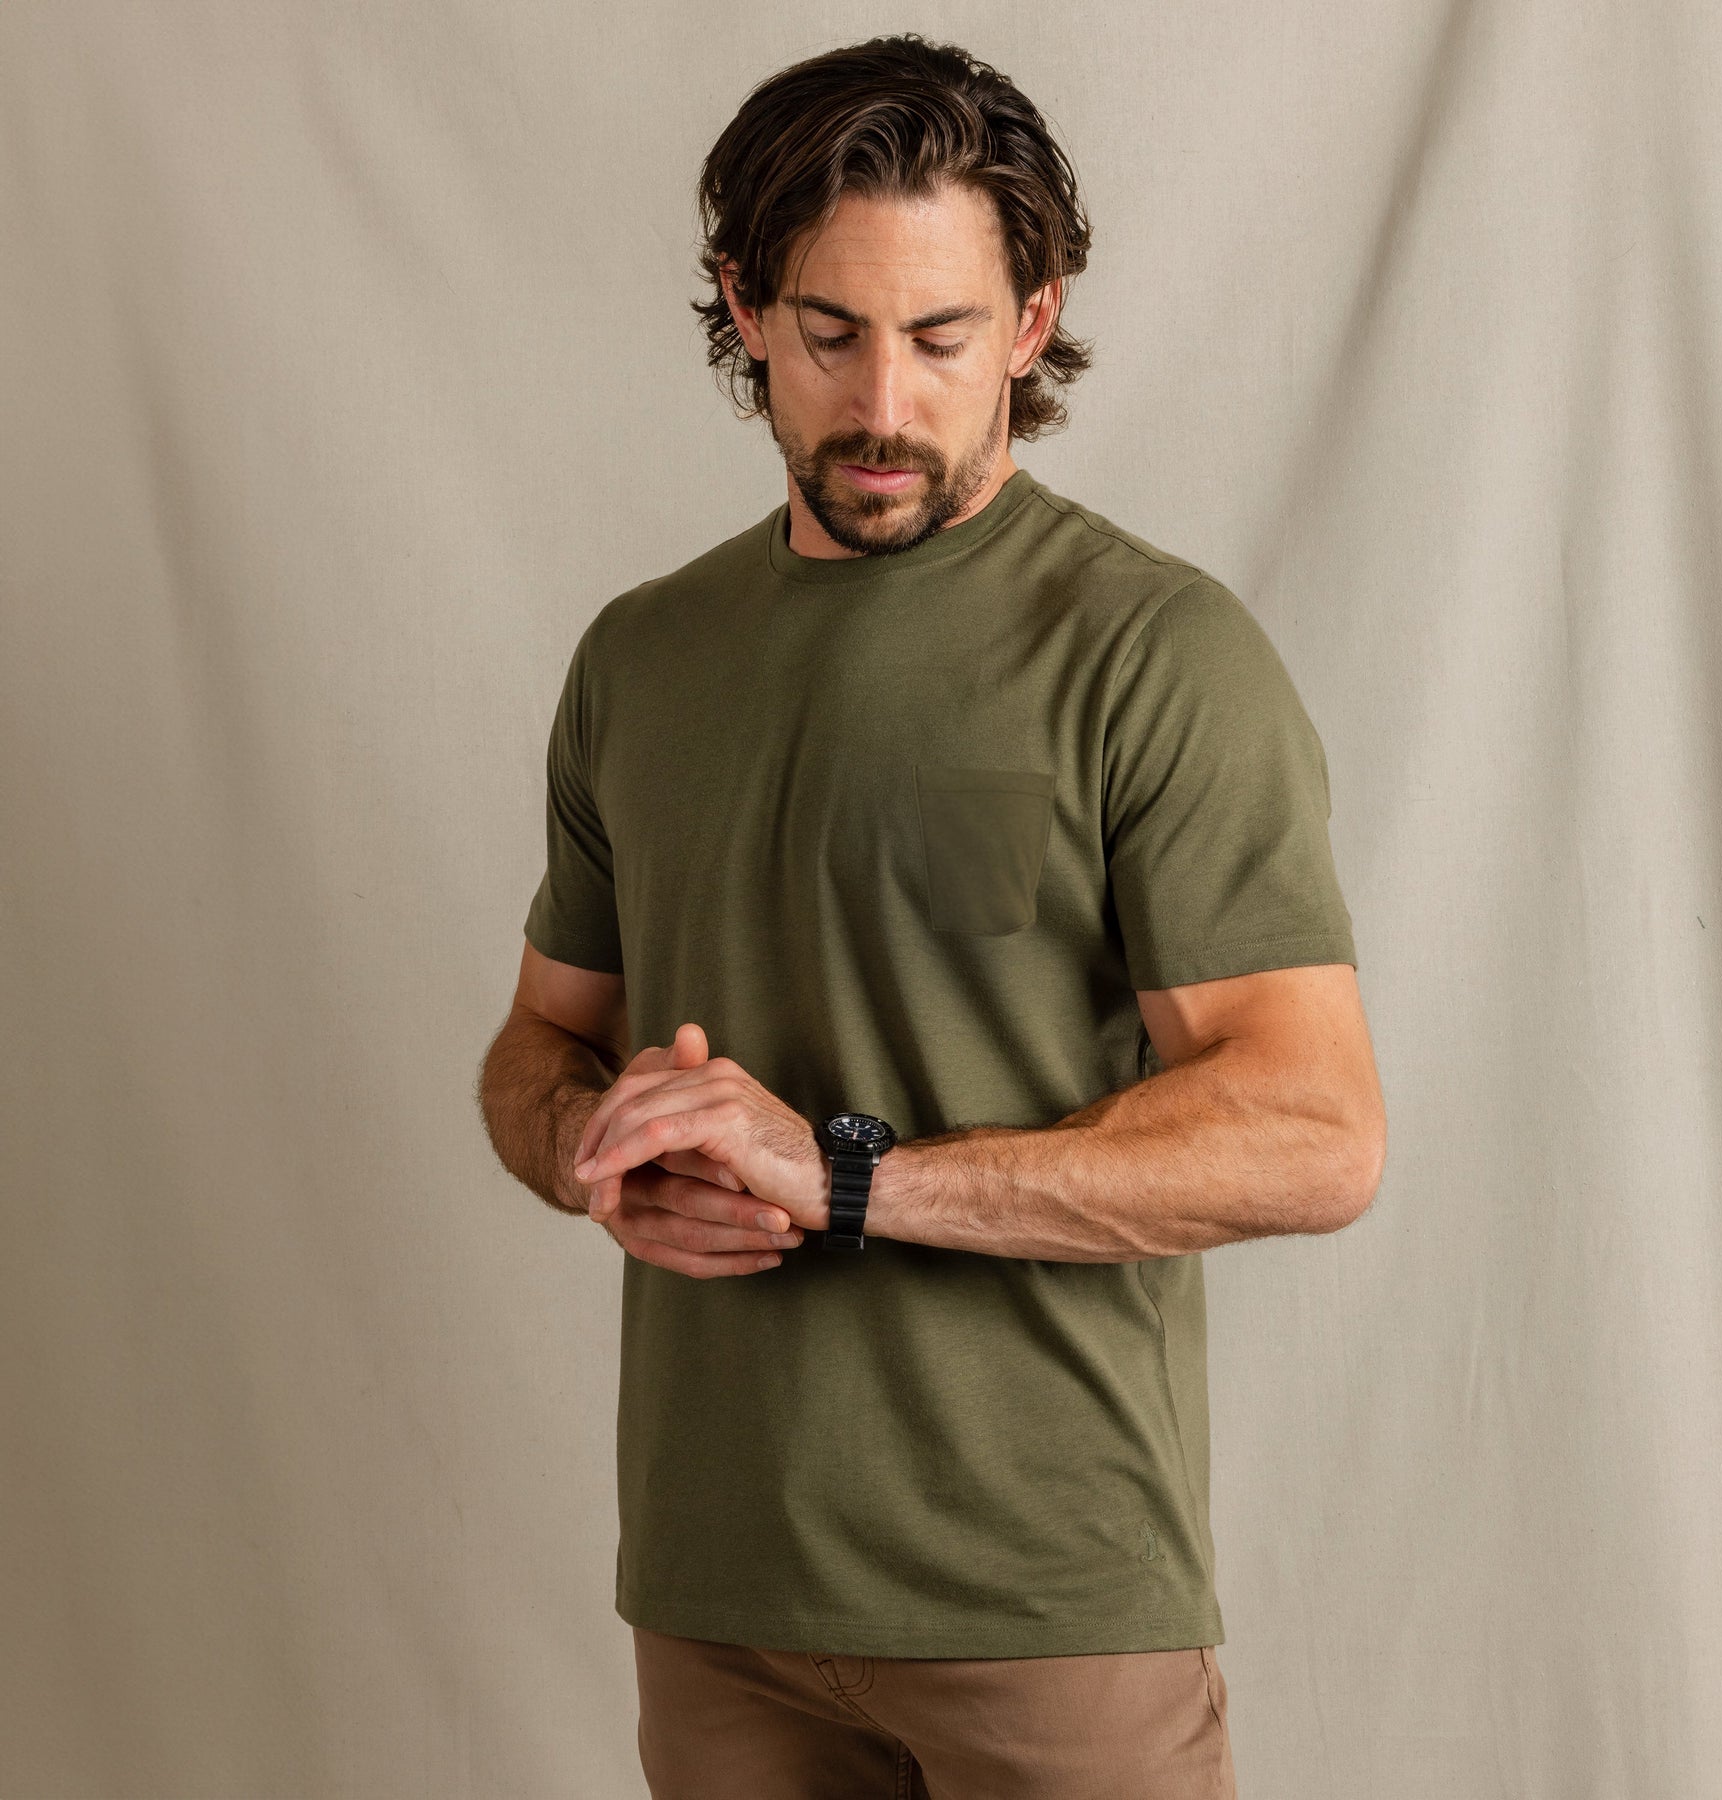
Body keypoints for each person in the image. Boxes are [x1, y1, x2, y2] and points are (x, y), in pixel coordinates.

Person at [478, 32, 1386, 1800]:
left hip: (1043, 1608)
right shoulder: (643, 659)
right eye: (831, 333)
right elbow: (536, 1042)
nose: (882, 401)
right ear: (745, 307)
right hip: (716, 1599)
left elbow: (1316, 1133)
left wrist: (845, 1179)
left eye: (943, 336)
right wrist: (603, 1150)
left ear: (1033, 324)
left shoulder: (1153, 655)